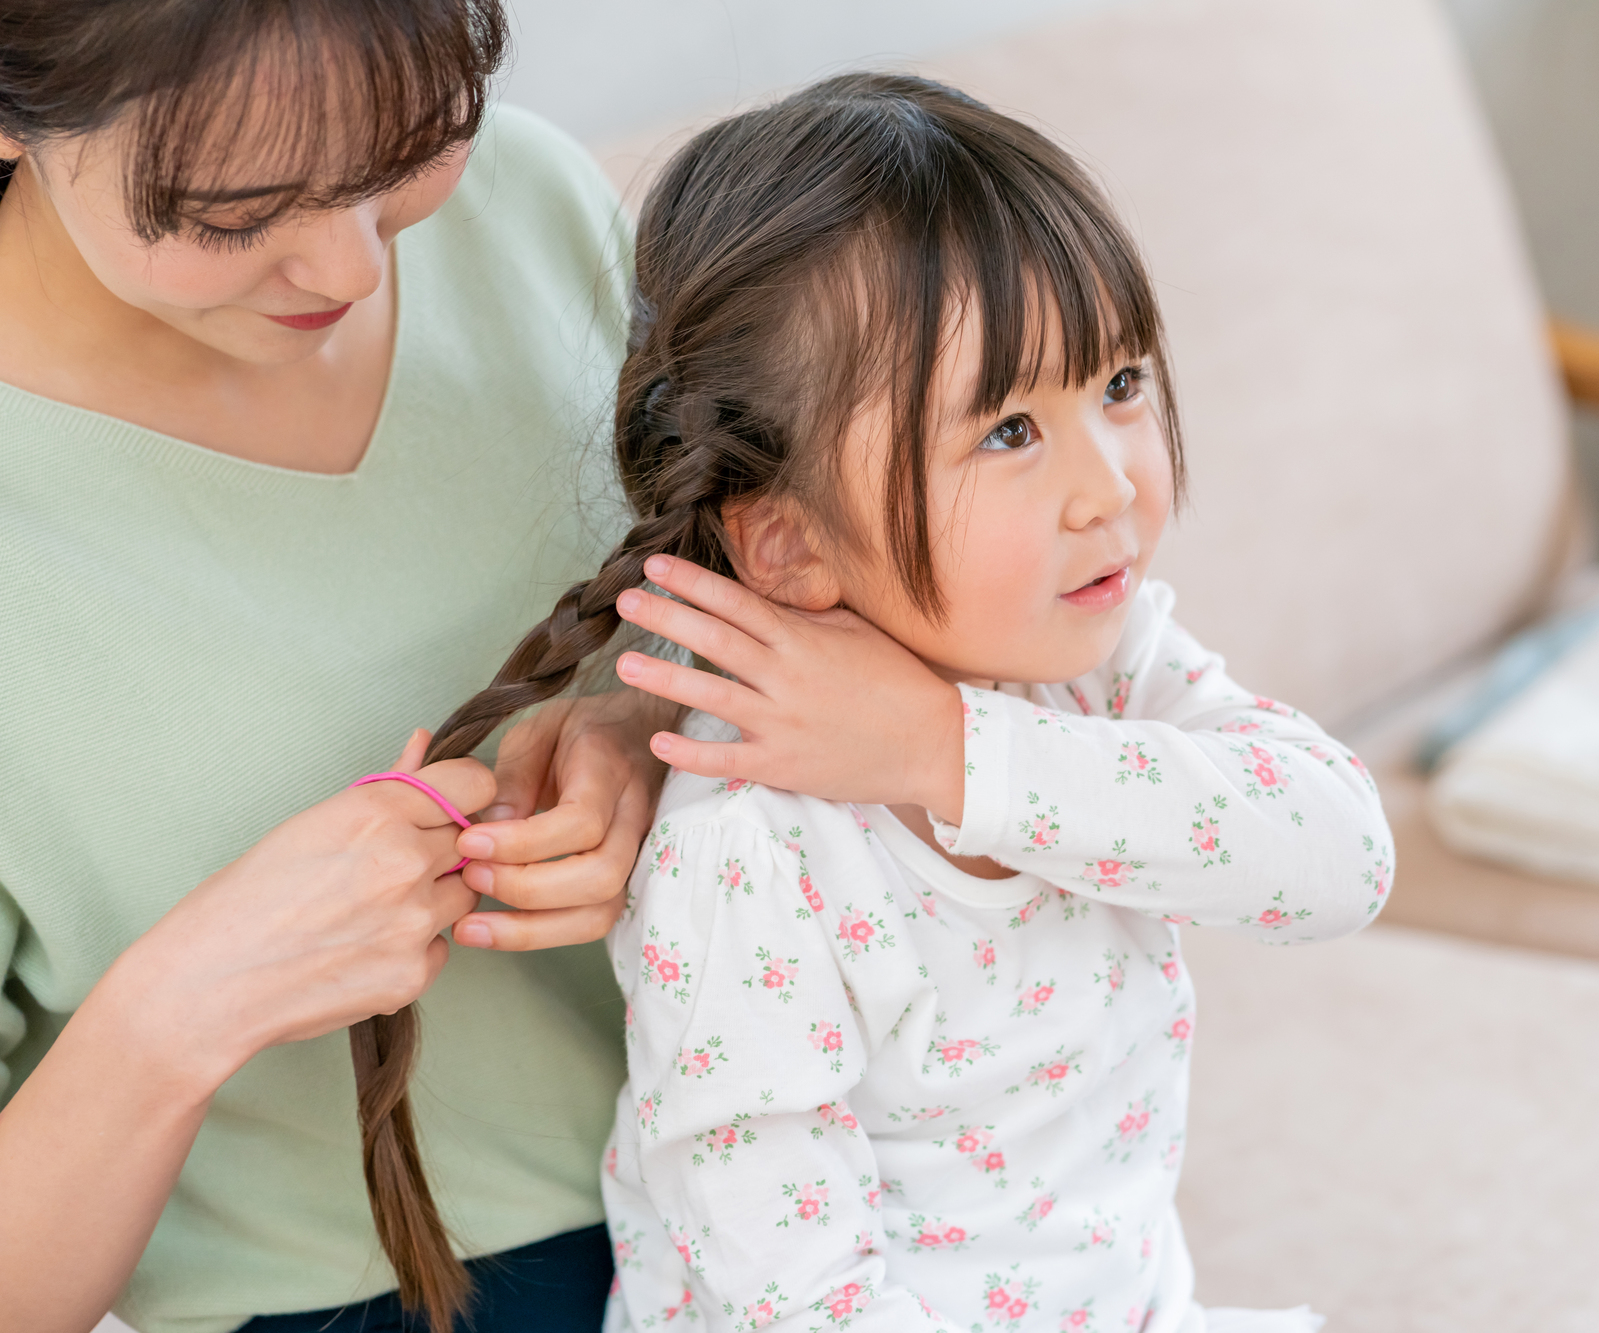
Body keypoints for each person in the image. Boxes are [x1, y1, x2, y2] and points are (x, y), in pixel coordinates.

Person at [427, 74, 1398, 1332]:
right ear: (783, 545)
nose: (1106, 486)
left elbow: (1339, 856)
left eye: (1116, 382)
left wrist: (948, 751)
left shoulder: (1095, 666)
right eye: (1006, 431)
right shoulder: (751, 843)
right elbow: (787, 1298)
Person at [0, 4, 670, 1330]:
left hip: (803, 1131)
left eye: (405, 154)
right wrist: (184, 1005)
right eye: (235, 213)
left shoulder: (531, 201)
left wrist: (643, 726)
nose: (354, 267)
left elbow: (739, 574)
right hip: (397, 1294)